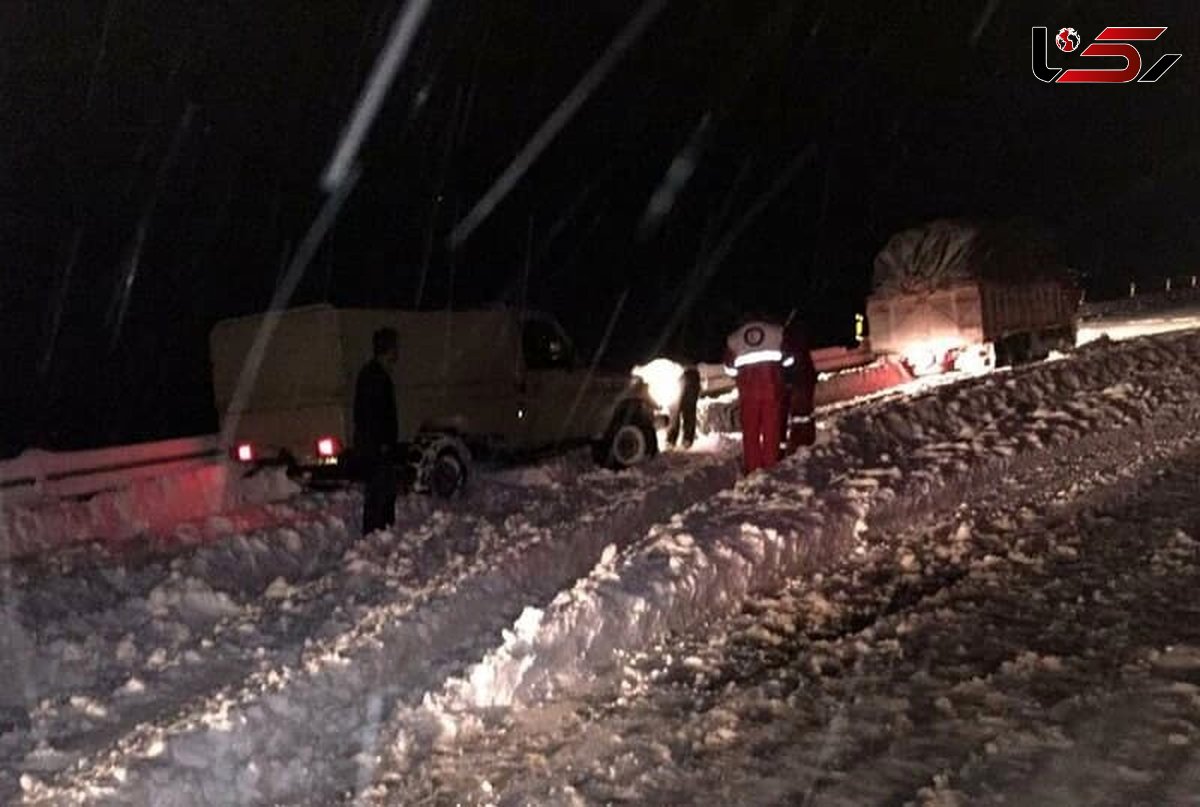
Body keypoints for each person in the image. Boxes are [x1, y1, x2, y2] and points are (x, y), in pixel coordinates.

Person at [724, 315, 786, 474]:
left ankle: (753, 467)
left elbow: (729, 368)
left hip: (748, 392)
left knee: (750, 432)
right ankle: (771, 464)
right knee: (771, 429)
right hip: (771, 389)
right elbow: (787, 360)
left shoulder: (734, 338)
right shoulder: (777, 332)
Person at [353, 327, 400, 535]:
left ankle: (381, 531)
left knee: (382, 491)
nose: (397, 352)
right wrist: (381, 443)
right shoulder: (375, 377)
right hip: (376, 447)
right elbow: (372, 414)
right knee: (379, 492)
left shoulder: (375, 374)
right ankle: (377, 532)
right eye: (394, 348)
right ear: (387, 349)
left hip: (375, 445)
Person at [781, 317, 819, 454]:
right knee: (804, 413)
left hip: (799, 380)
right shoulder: (798, 337)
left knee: (800, 413)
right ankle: (806, 439)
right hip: (804, 378)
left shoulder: (790, 340)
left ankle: (799, 442)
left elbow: (789, 362)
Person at [666, 363, 701, 449]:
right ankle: (679, 440)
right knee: (677, 409)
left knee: (685, 409)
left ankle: (683, 440)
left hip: (685, 372)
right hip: (679, 373)